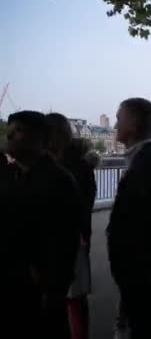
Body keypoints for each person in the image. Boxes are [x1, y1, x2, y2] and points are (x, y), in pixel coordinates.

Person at [4, 111, 81, 339]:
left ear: (39, 138)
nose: (9, 135)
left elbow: (63, 243)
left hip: (37, 290)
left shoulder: (60, 182)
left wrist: (51, 288)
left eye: (17, 130)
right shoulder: (9, 174)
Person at [106, 98, 151, 339]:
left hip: (143, 274)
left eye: (119, 120)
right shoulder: (144, 160)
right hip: (143, 272)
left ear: (134, 125)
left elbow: (149, 224)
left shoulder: (147, 164)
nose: (115, 126)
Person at [46, 113, 98, 339]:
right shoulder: (81, 165)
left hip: (65, 241)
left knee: (61, 298)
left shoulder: (58, 169)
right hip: (79, 237)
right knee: (76, 298)